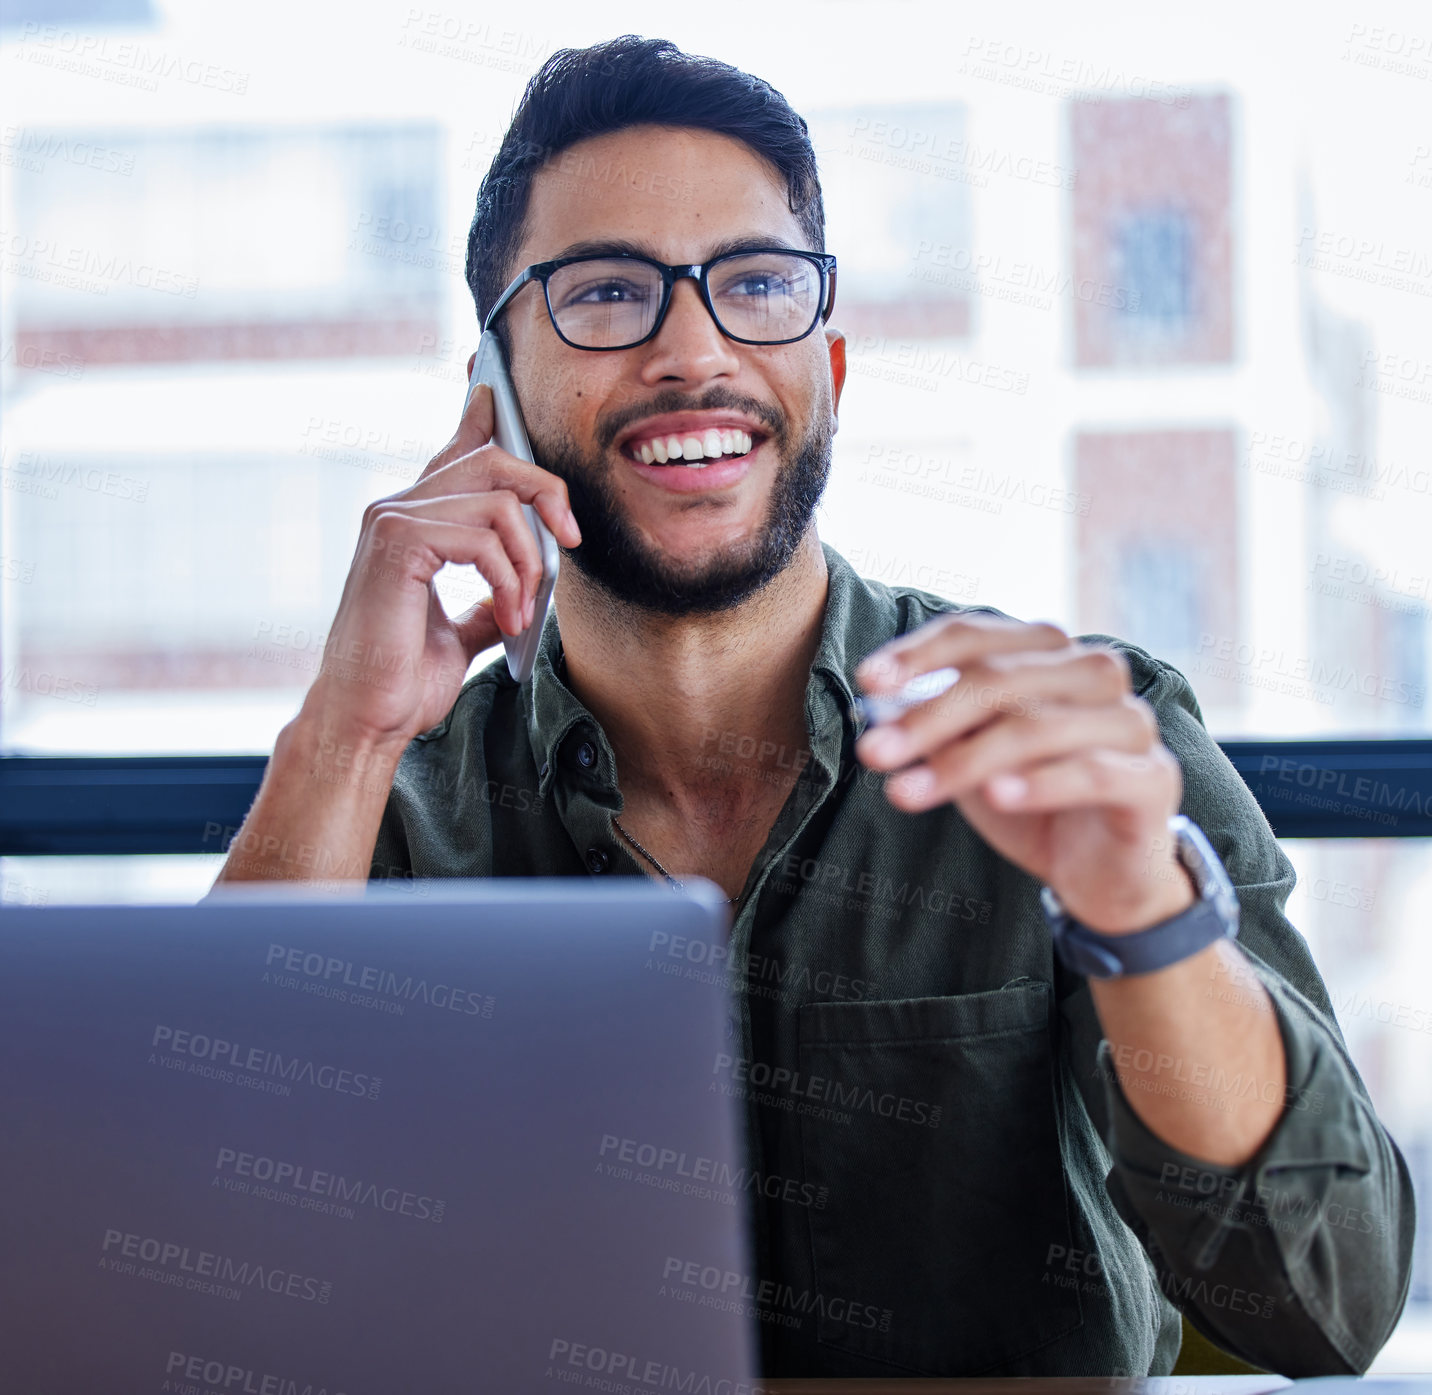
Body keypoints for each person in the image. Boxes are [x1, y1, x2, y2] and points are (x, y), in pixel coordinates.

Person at [214, 35, 1414, 1378]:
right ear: (490, 396)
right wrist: (344, 732)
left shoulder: (1083, 739)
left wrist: (1140, 909)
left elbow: (1328, 1301)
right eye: (606, 295)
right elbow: (183, 1264)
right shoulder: (386, 800)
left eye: (757, 286)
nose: (694, 349)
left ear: (829, 373)